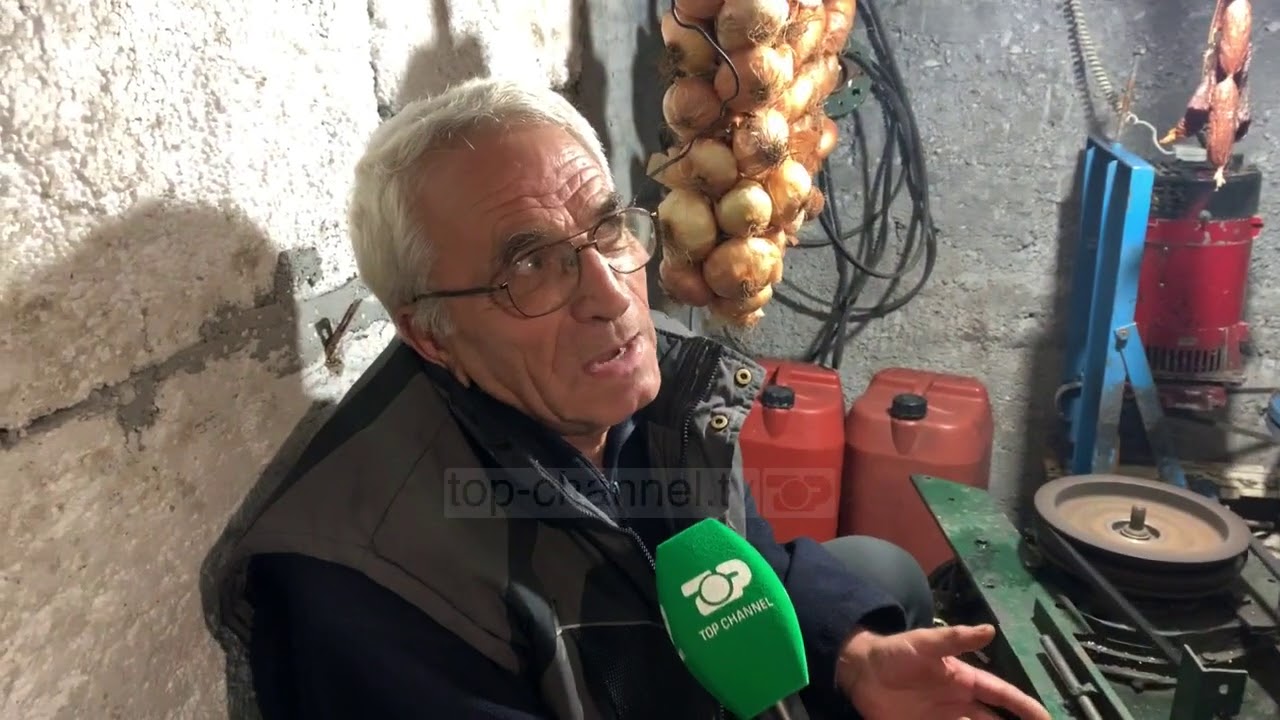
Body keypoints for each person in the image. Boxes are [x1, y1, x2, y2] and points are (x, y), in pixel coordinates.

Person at [211, 77, 1050, 720]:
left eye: (607, 227)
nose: (612, 296)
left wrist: (851, 656)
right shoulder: (367, 591)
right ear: (430, 334)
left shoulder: (643, 390)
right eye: (530, 266)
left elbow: (737, 569)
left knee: (880, 574)